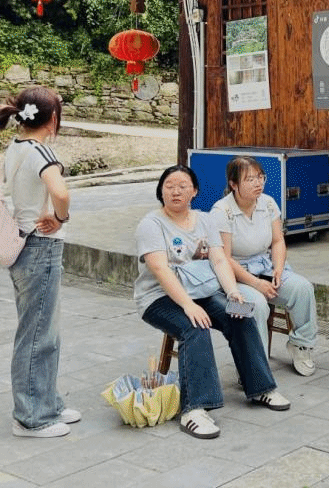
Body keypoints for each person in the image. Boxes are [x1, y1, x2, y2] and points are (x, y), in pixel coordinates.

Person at [135, 165, 291, 439]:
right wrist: (188, 305)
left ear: (194, 191)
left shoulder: (206, 220)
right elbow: (160, 269)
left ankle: (261, 388)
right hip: (159, 298)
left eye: (182, 186)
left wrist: (232, 292)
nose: (175, 191)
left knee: (242, 313)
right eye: (169, 186)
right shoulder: (151, 224)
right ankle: (194, 409)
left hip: (201, 292)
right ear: (161, 191)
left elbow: (219, 260)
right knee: (195, 327)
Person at [1, 87, 80, 438]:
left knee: (41, 331)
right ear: (53, 119)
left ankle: (48, 403)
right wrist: (60, 218)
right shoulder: (41, 151)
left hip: (23, 245)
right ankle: (31, 417)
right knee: (38, 335)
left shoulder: (16, 146)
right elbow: (60, 192)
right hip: (40, 246)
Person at [211, 156, 319, 376]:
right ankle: (253, 365)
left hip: (265, 266)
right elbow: (224, 258)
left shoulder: (268, 203)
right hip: (233, 276)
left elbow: (278, 241)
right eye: (250, 179)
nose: (258, 183)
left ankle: (301, 345)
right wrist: (256, 284)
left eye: (260, 177)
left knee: (303, 289)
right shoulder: (221, 211)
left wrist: (278, 268)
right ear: (233, 184)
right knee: (257, 304)